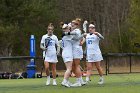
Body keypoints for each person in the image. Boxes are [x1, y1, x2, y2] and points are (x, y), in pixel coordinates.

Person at [63, 18, 86, 87]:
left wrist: (66, 33)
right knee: (74, 66)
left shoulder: (77, 30)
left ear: (77, 25)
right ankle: (80, 80)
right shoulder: (74, 30)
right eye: (72, 23)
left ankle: (78, 81)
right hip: (75, 49)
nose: (72, 24)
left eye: (74, 23)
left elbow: (77, 38)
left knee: (76, 66)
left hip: (76, 49)